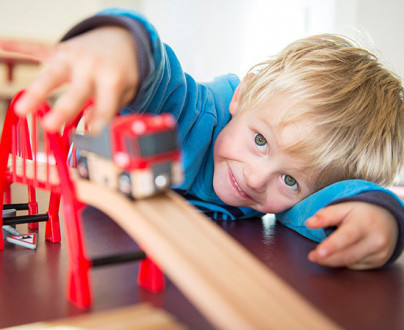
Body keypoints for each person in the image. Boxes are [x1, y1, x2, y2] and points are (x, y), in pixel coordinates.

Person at [0, 7, 403, 270]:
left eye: (290, 180)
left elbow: (326, 207)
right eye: (260, 141)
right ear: (242, 96)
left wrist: (380, 216)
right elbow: (156, 71)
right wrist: (121, 45)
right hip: (81, 220)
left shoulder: (284, 195)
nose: (256, 179)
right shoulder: (187, 112)